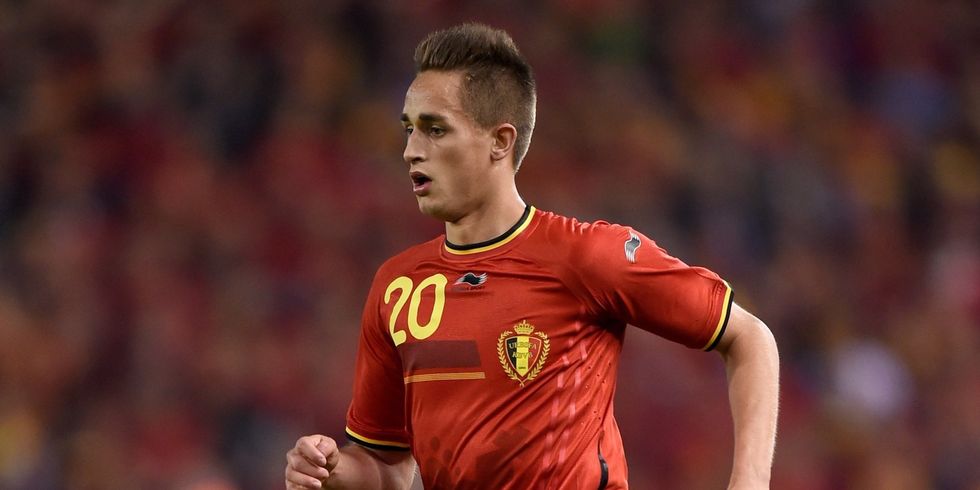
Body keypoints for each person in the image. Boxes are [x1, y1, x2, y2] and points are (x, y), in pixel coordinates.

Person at [285, 23, 779, 490]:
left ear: (500, 142)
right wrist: (331, 470)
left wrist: (750, 482)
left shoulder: (586, 256)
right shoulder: (398, 286)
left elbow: (750, 338)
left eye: (434, 129)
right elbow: (389, 468)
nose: (411, 150)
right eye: (408, 128)